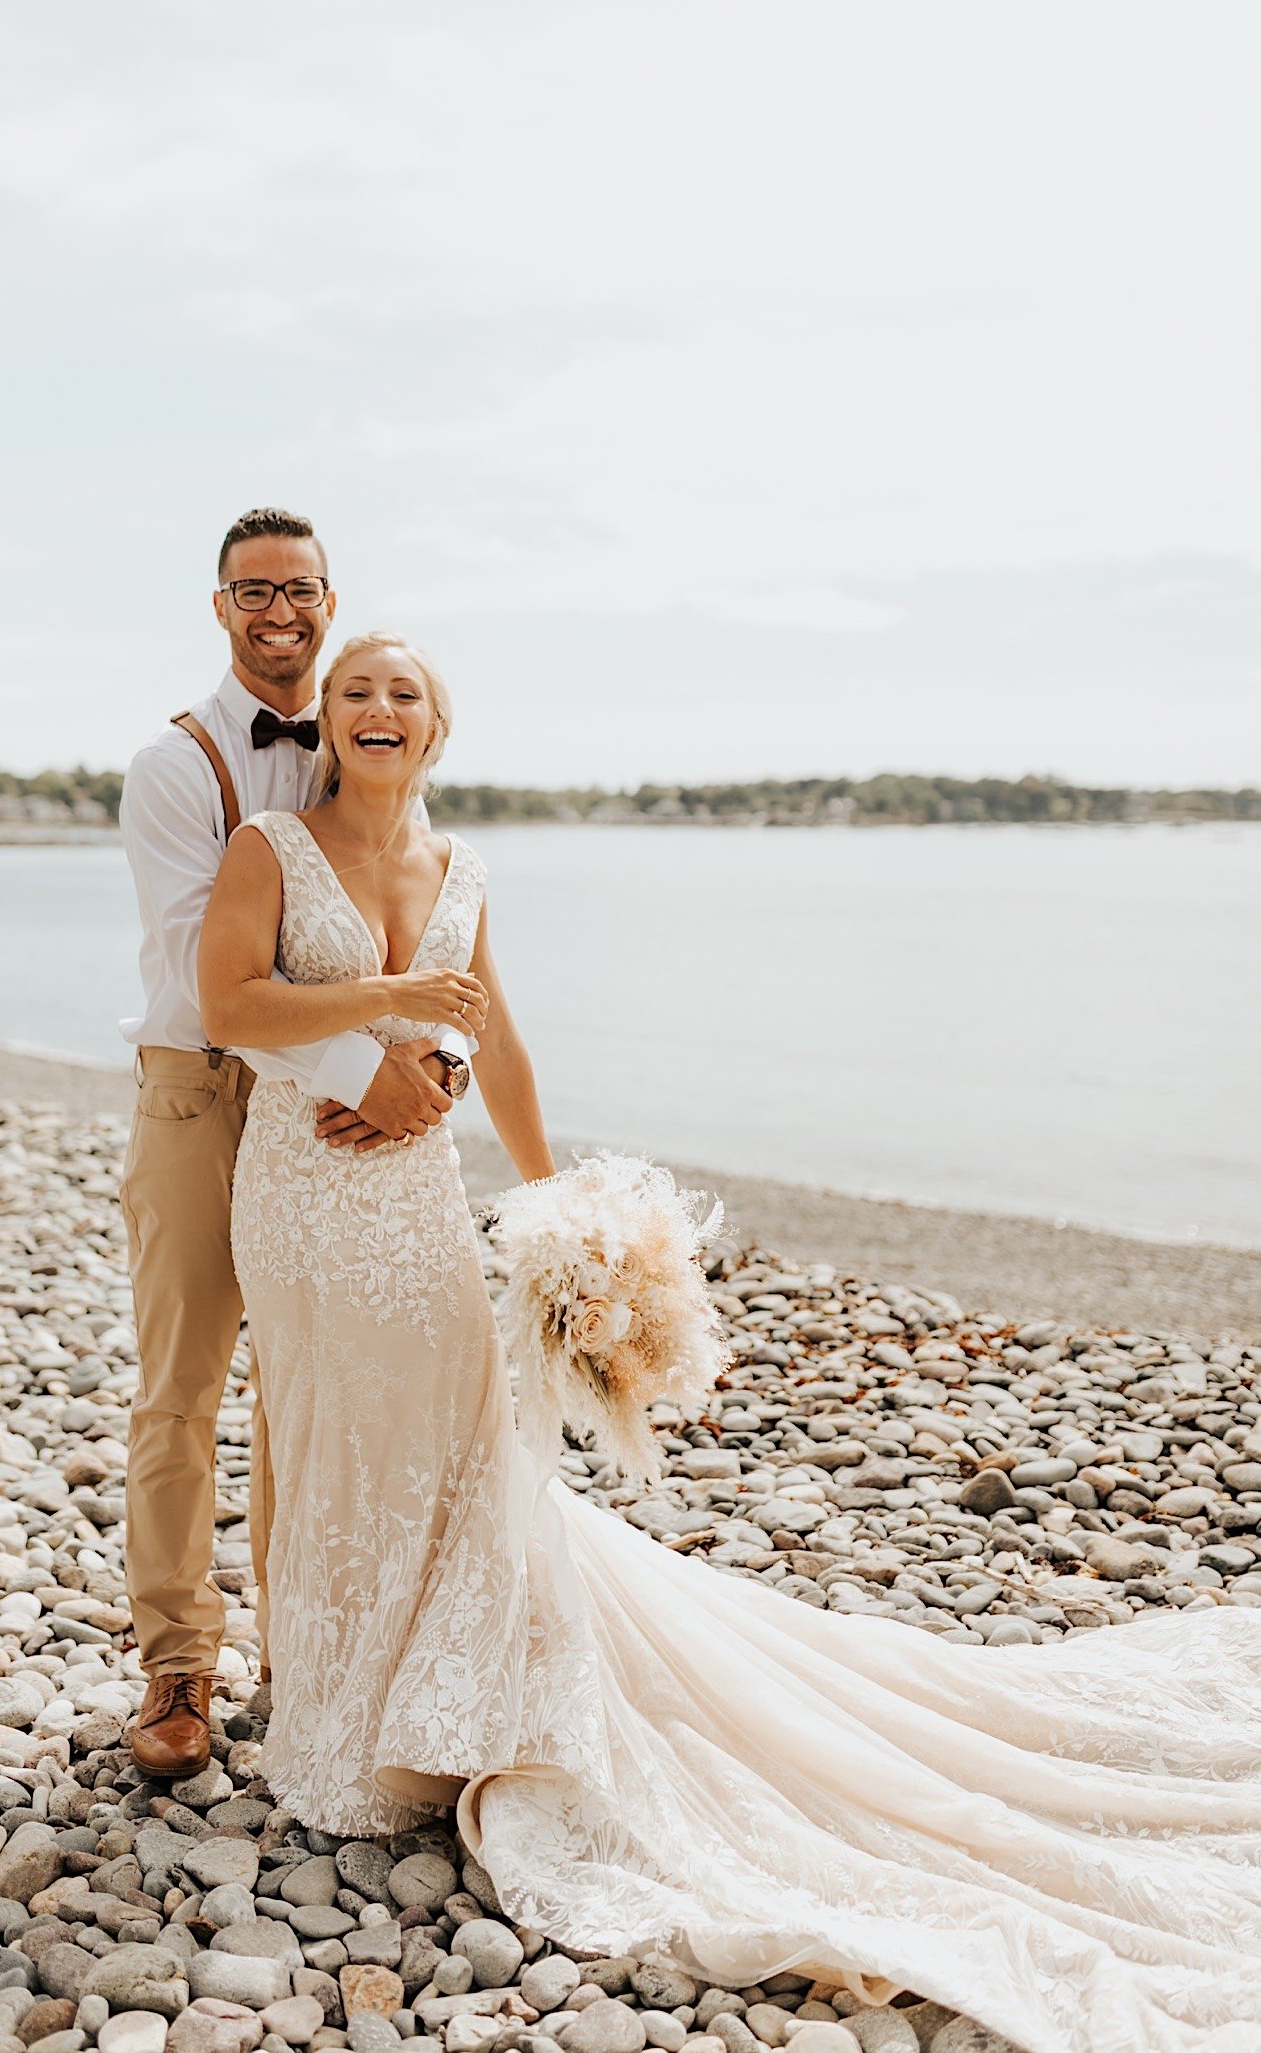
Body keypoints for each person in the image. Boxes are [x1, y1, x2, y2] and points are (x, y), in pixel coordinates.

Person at [196, 630, 1261, 2053]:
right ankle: (343, 1736)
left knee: (454, 1439)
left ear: (439, 730)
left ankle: (435, 1711)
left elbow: (495, 1041)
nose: (379, 707)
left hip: (415, 1197)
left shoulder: (467, 869)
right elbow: (232, 1003)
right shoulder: (274, 842)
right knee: (335, 1435)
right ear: (329, 719)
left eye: (406, 692)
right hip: (303, 1197)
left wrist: (555, 1190)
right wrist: (390, 1014)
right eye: (358, 690)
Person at [117, 509, 476, 1777]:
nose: (281, 610)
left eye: (303, 589)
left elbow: (420, 949)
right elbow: (213, 977)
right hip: (200, 1095)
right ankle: (177, 1666)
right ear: (220, 604)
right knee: (182, 1386)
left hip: (343, 1098)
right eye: (254, 589)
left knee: (309, 1391)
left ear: (329, 601)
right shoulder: (175, 769)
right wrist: (359, 1070)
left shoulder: (357, 743)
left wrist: (439, 1065)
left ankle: (305, 1652)